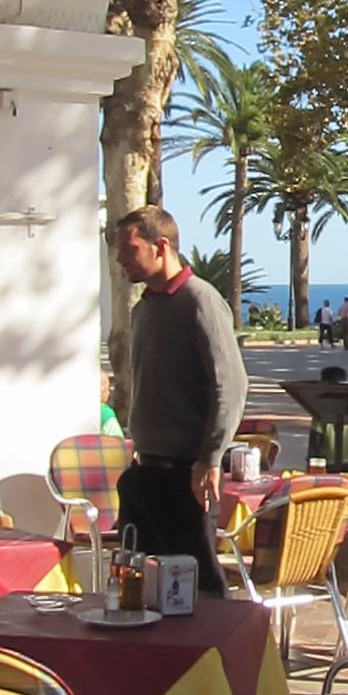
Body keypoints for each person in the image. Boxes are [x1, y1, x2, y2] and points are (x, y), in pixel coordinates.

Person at [110, 205, 248, 593]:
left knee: (199, 592)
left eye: (130, 249)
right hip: (145, 474)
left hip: (186, 476)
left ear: (162, 246)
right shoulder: (143, 311)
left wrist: (210, 456)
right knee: (136, 588)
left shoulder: (199, 300)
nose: (121, 259)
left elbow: (231, 384)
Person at [307, 362, 348, 472]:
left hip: (325, 462)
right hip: (347, 460)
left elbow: (316, 436)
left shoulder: (320, 408)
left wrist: (311, 459)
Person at [99, 370, 124, 438]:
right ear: (101, 390)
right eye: (107, 389)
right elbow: (117, 441)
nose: (108, 393)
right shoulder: (105, 413)